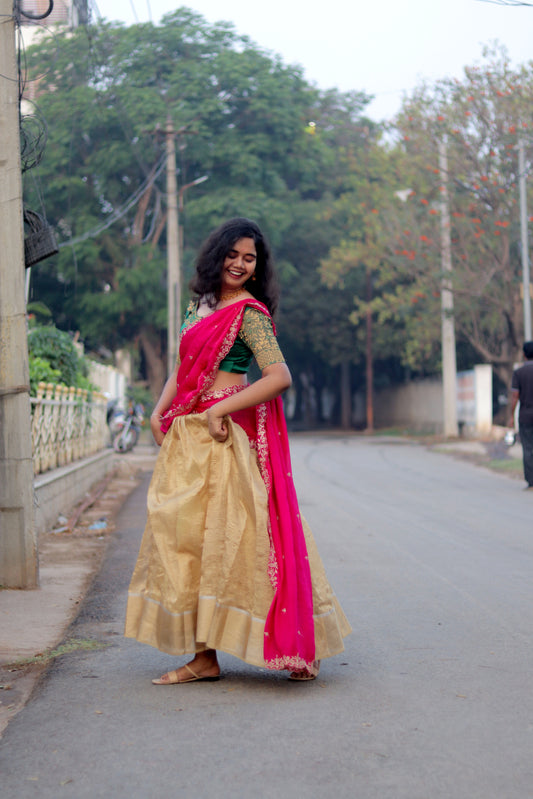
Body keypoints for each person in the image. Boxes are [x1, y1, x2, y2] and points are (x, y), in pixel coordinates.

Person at [125, 217, 351, 683]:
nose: (240, 264)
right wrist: (157, 412)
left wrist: (219, 410)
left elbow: (278, 376)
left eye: (250, 259)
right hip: (189, 438)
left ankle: (293, 642)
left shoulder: (250, 315)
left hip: (229, 441)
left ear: (257, 267)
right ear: (217, 255)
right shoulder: (200, 307)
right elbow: (183, 367)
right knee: (187, 542)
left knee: (241, 544)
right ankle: (204, 658)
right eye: (233, 255)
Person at [509, 341, 533, 489]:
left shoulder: (519, 372)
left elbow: (515, 397)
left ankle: (531, 482)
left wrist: (511, 416)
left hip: (525, 415)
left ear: (523, 355)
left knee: (528, 448)